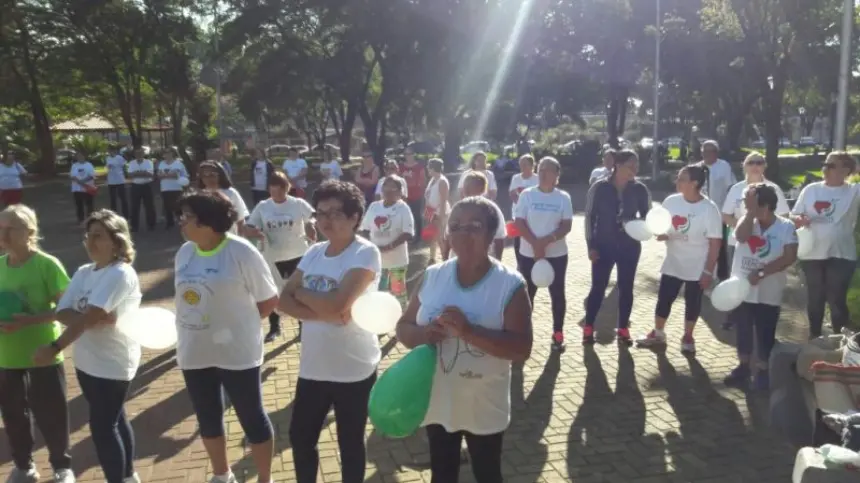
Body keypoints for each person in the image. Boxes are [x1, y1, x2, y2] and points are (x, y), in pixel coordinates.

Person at [395, 196, 533, 483]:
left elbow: (521, 349)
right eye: (455, 225)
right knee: (442, 476)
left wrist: (468, 332)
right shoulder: (433, 276)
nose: (462, 233)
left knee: (487, 475)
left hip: (484, 404)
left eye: (474, 225)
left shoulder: (510, 284)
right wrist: (424, 334)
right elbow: (404, 328)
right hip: (438, 402)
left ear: (490, 233)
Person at [278, 181, 382, 483]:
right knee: (300, 438)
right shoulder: (314, 252)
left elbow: (337, 306)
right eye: (320, 213)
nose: (326, 220)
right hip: (313, 366)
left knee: (349, 444)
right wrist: (328, 307)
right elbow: (285, 299)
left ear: (354, 217)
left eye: (336, 213)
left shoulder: (365, 253)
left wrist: (307, 293)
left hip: (353, 369)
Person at [173, 190, 279, 483]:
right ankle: (222, 475)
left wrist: (237, 326)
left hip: (237, 353)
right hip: (195, 352)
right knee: (207, 417)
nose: (181, 222)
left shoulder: (241, 251)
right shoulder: (185, 253)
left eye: (187, 216)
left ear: (207, 221)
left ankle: (265, 478)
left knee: (251, 417)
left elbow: (269, 300)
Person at [33, 210, 142, 483]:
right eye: (88, 236)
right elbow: (63, 311)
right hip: (86, 361)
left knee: (103, 427)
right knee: (116, 418)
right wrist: (89, 317)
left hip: (114, 361)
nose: (91, 242)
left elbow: (90, 315)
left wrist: (55, 346)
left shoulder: (120, 273)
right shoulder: (83, 272)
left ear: (116, 242)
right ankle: (128, 477)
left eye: (99, 236)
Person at [0, 205, 75, 483]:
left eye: (10, 229)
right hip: (6, 356)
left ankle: (62, 467)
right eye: (0, 228)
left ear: (30, 232)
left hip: (43, 353)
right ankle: (24, 466)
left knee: (52, 414)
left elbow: (68, 309)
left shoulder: (47, 264)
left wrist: (29, 321)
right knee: (13, 415)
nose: (3, 235)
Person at [636, 164, 722, 354]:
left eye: (682, 179)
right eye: (678, 177)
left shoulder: (709, 209)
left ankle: (688, 336)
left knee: (693, 302)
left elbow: (715, 244)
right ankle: (658, 333)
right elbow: (664, 228)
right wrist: (663, 235)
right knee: (664, 298)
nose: (677, 182)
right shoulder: (671, 201)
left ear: (695, 183)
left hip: (698, 266)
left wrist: (708, 271)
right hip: (674, 263)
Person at [723, 184, 797, 391]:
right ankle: (743, 367)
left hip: (769, 290)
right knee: (743, 330)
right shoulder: (748, 222)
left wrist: (763, 273)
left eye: (749, 202)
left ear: (764, 205)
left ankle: (764, 370)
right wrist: (749, 213)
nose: (745, 206)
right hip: (742, 290)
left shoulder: (786, 227)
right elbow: (740, 237)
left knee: (765, 332)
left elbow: (789, 256)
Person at [583, 150, 651, 345]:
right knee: (598, 287)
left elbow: (649, 216)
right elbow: (589, 217)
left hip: (629, 246)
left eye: (636, 166)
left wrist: (637, 225)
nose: (634, 170)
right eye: (631, 165)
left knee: (626, 287)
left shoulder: (640, 189)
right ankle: (589, 328)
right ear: (617, 165)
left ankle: (623, 329)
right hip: (603, 246)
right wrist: (591, 246)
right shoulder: (599, 187)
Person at [791, 151, 860, 337]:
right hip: (812, 253)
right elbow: (794, 214)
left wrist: (855, 169)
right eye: (825, 165)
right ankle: (815, 337)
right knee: (816, 297)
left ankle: (840, 337)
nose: (825, 169)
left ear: (845, 170)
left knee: (836, 297)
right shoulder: (811, 190)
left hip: (842, 254)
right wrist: (799, 219)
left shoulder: (854, 191)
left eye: (831, 166)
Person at [245, 171, 316, 343]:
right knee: (272, 291)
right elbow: (248, 227)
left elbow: (313, 217)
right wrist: (255, 232)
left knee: (299, 292)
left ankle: (302, 327)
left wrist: (310, 224)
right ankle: (274, 328)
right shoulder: (263, 206)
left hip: (297, 255)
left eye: (280, 189)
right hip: (273, 257)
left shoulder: (298, 204)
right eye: (272, 189)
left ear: (287, 188)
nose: (276, 193)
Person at [514, 157, 573, 350]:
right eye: (541, 169)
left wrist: (546, 242)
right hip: (528, 254)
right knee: (527, 294)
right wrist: (534, 244)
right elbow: (520, 222)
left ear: (557, 175)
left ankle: (558, 333)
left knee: (557, 294)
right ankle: (522, 333)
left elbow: (566, 225)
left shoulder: (563, 197)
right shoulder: (527, 195)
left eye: (548, 170)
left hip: (556, 254)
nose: (543, 173)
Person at [361, 176, 415, 307]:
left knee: (398, 291)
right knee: (379, 291)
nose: (388, 190)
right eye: (385, 187)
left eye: (393, 187)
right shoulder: (374, 206)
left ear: (399, 192)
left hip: (397, 260)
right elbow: (365, 229)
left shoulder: (403, 208)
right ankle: (381, 319)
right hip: (377, 260)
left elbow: (408, 233)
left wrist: (389, 246)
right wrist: (371, 246)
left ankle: (401, 318)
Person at [701, 140, 736, 280]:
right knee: (703, 245)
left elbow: (730, 188)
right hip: (702, 214)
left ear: (716, 153)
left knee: (720, 246)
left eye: (710, 151)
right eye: (704, 152)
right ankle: (703, 272)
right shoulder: (698, 168)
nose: (707, 154)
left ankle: (722, 276)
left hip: (719, 213)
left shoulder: (724, 166)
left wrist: (730, 210)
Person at [460, 172, 505, 259]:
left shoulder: (492, 209)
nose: (465, 189)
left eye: (469, 186)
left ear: (481, 188)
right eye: (465, 185)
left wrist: (498, 262)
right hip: (461, 262)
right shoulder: (458, 208)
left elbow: (499, 238)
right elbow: (448, 236)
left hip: (485, 261)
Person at [197, 161, 248, 235]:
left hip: (230, 236)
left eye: (212, 175)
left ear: (220, 175)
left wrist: (241, 237)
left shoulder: (231, 193)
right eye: (204, 176)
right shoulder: (198, 195)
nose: (208, 178)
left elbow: (240, 219)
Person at [509, 154, 539, 263]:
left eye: (525, 164)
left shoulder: (537, 178)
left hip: (534, 214)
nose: (522, 167)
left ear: (532, 165)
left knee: (531, 236)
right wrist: (522, 206)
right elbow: (512, 194)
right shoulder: (516, 178)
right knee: (517, 239)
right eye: (521, 165)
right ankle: (519, 262)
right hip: (517, 214)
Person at [424, 158, 450, 263]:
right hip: (431, 212)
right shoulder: (432, 180)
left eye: (429, 167)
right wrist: (427, 213)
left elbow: (444, 200)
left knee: (440, 237)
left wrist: (442, 217)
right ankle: (432, 258)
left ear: (433, 168)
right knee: (432, 236)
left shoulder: (442, 181)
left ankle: (445, 259)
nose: (427, 169)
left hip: (440, 212)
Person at [157, 148, 189, 230]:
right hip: (165, 188)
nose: (167, 155)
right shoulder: (161, 164)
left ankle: (182, 222)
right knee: (167, 207)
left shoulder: (179, 164)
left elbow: (184, 175)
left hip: (177, 188)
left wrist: (167, 175)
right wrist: (171, 175)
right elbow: (159, 176)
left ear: (172, 154)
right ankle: (169, 223)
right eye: (165, 153)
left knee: (178, 206)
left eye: (169, 153)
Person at [126, 148, 157, 232]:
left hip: (147, 185)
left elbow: (150, 174)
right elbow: (129, 175)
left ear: (143, 154)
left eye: (141, 154)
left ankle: (151, 224)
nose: (139, 155)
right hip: (135, 186)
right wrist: (142, 173)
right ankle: (134, 226)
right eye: (137, 154)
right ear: (135, 155)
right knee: (134, 206)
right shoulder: (132, 163)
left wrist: (137, 173)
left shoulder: (148, 162)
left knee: (149, 206)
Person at [399, 148, 427, 240]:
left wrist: (420, 189)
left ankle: (418, 235)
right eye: (406, 154)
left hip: (416, 195)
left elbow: (423, 181)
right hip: (404, 196)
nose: (408, 156)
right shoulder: (401, 167)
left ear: (413, 154)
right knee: (405, 215)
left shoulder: (419, 167)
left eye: (410, 154)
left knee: (417, 215)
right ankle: (407, 234)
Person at [70, 152, 96, 223]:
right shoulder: (74, 166)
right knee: (79, 205)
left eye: (81, 156)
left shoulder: (89, 165)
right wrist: (79, 182)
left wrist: (83, 181)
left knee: (89, 205)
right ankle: (80, 219)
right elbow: (72, 176)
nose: (80, 157)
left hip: (88, 188)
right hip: (77, 189)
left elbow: (92, 175)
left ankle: (90, 220)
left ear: (84, 156)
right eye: (78, 156)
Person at [105, 146, 129, 218]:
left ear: (115, 151)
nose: (110, 152)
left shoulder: (119, 157)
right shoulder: (107, 158)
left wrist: (125, 174)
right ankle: (113, 215)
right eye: (109, 151)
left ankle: (126, 215)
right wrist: (108, 167)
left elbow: (124, 165)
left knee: (123, 198)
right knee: (113, 199)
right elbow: (106, 168)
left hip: (120, 180)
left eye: (112, 151)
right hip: (111, 181)